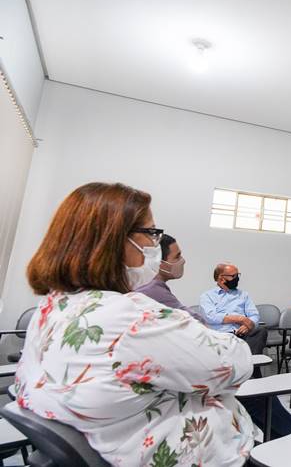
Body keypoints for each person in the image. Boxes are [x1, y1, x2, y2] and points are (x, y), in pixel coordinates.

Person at [16, 182, 257, 465]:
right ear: (113, 241)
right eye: (152, 233)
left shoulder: (52, 307)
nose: (156, 244)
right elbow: (235, 362)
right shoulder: (128, 317)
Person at [200, 264, 269, 365]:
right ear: (221, 278)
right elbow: (210, 316)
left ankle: (251, 365)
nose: (237, 278)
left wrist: (248, 326)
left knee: (261, 330)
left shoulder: (243, 295)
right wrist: (240, 319)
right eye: (233, 276)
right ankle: (248, 369)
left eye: (238, 275)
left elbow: (254, 315)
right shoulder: (207, 296)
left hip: (242, 334)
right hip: (221, 335)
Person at [136, 233, 205, 323]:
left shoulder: (141, 283)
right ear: (159, 263)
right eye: (177, 256)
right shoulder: (154, 290)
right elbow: (195, 321)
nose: (183, 261)